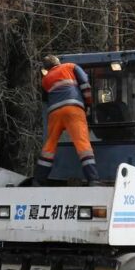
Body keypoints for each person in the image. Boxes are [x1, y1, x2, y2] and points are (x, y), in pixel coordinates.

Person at [34, 54, 99, 185]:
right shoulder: (71, 66)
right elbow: (85, 86)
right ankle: (93, 179)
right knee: (83, 145)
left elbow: (46, 98)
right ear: (58, 62)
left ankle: (39, 179)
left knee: (49, 146)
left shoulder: (45, 79)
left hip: (54, 113)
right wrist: (88, 103)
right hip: (73, 110)